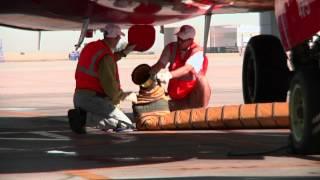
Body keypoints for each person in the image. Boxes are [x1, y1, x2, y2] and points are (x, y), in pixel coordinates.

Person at [68, 24, 137, 134]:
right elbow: (110, 88)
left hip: (80, 97)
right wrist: (124, 96)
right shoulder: (106, 56)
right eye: (119, 37)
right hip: (93, 100)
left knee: (112, 116)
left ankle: (84, 115)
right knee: (126, 124)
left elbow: (107, 60)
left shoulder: (92, 47)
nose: (119, 39)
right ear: (116, 37)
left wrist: (124, 52)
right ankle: (83, 118)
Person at [150, 25, 211, 111]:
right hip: (176, 97)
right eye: (178, 38)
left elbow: (187, 69)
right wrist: (149, 74)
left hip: (192, 99)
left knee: (203, 80)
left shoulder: (197, 52)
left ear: (191, 40)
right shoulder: (171, 48)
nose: (179, 42)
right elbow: (160, 64)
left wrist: (168, 75)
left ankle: (203, 112)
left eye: (182, 40)